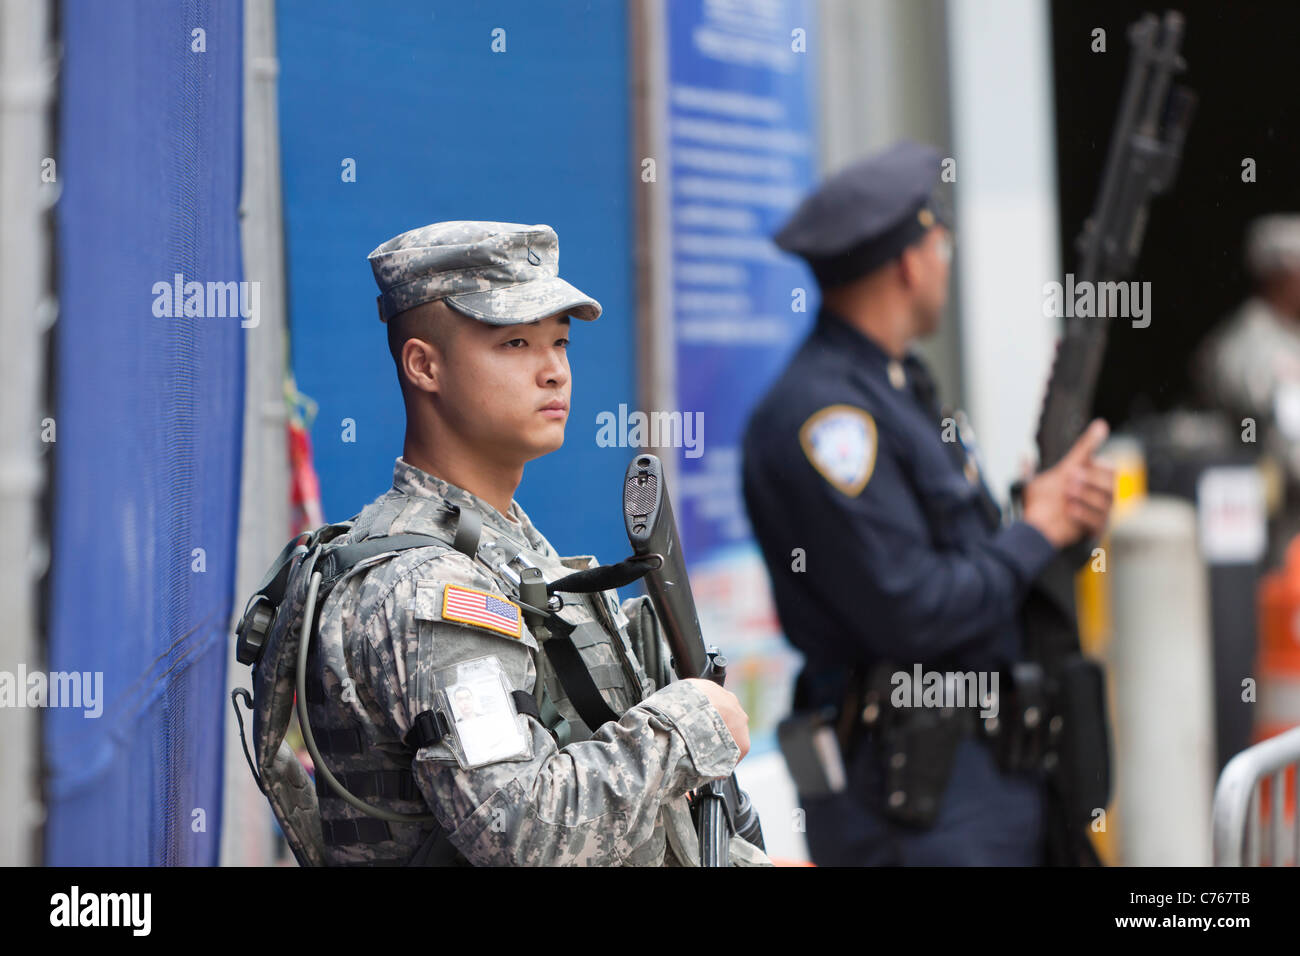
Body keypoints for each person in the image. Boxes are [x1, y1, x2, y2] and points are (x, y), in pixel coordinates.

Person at [305, 220, 769, 866]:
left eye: (560, 342)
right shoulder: (429, 587)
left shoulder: (506, 550)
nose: (553, 371)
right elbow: (519, 827)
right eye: (516, 343)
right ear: (424, 365)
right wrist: (689, 723)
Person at [741, 142, 1115, 865]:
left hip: (986, 777)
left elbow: (961, 557)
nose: (947, 264)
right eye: (941, 246)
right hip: (916, 806)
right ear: (909, 263)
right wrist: (1036, 528)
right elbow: (911, 607)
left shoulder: (900, 386)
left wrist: (1048, 514)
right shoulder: (827, 422)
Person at [1193, 214, 1300, 566]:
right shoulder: (1245, 343)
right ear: (1278, 274)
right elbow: (1282, 425)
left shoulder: (1290, 336)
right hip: (1272, 522)